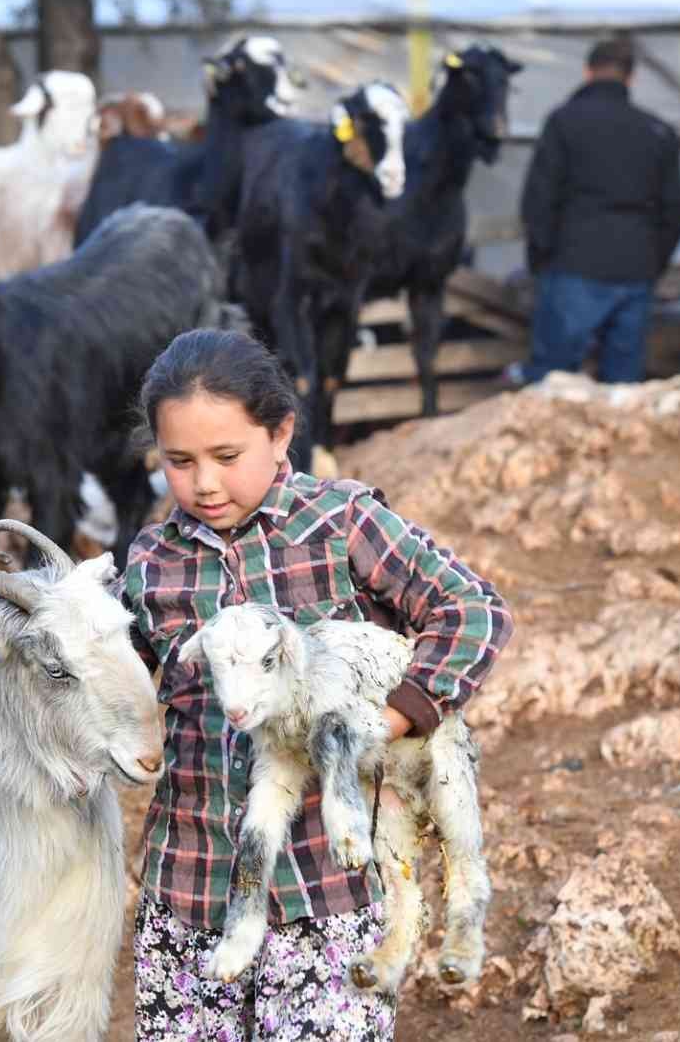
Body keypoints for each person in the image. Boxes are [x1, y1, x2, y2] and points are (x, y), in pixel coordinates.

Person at [119, 327, 513, 1041]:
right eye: (179, 461)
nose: (204, 483)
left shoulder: (341, 523)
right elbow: (113, 678)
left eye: (226, 456)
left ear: (281, 433)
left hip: (328, 892)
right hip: (191, 884)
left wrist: (392, 719)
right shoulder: (152, 561)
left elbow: (473, 610)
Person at [506, 37, 680, 387]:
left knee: (554, 383)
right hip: (635, 269)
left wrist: (541, 260)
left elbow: (538, 201)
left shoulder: (564, 122)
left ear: (587, 72)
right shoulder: (658, 132)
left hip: (573, 265)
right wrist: (652, 263)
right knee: (622, 387)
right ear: (631, 78)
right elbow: (673, 214)